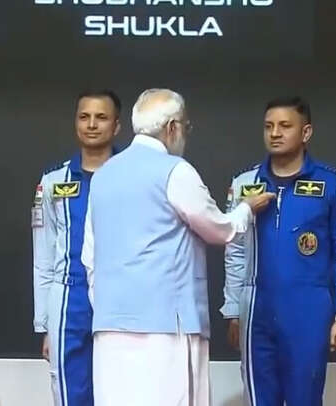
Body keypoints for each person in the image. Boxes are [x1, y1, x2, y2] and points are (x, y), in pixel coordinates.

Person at [81, 88, 275, 406]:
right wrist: (246, 209)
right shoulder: (175, 170)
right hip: (167, 328)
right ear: (172, 127)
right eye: (185, 126)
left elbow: (90, 255)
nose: (185, 132)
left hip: (109, 325)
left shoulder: (103, 175)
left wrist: (108, 304)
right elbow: (218, 229)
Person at [220, 96, 336, 406]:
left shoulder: (332, 184)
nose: (275, 133)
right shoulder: (246, 183)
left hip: (308, 309)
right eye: (268, 126)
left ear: (306, 132)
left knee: (305, 398)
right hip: (256, 309)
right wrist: (233, 309)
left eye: (285, 126)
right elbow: (235, 250)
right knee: (258, 399)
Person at [32, 89, 122, 406]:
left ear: (117, 126)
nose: (92, 125)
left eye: (101, 117)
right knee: (69, 390)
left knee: (120, 390)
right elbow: (43, 253)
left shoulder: (131, 177)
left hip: (119, 296)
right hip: (69, 296)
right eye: (84, 117)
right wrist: (45, 324)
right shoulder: (53, 181)